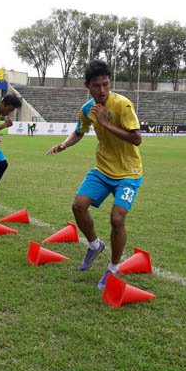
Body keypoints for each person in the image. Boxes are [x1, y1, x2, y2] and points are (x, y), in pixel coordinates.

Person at [47, 60, 143, 290]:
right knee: (78, 206)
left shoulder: (123, 105)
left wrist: (104, 123)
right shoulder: (86, 109)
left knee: (117, 219)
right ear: (87, 86)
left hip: (129, 172)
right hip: (102, 169)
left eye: (106, 85)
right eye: (97, 86)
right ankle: (94, 245)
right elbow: (79, 131)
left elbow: (136, 138)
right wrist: (65, 144)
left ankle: (112, 269)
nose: (102, 91)